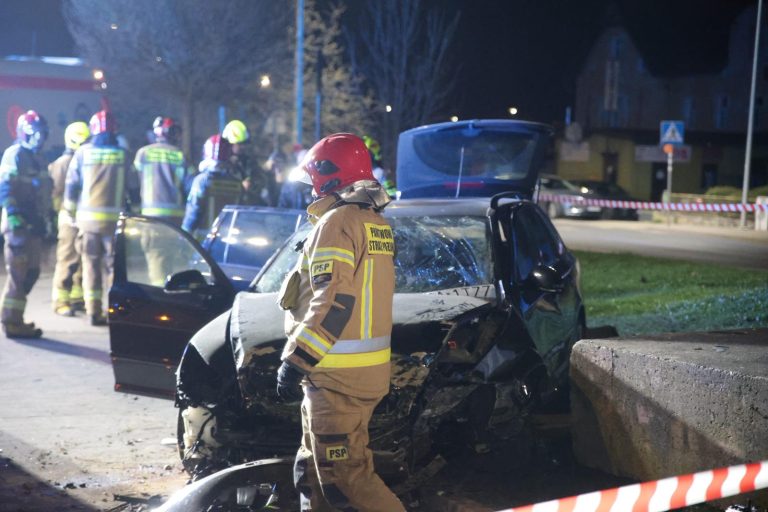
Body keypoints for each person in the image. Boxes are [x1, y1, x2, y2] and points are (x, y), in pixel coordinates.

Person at [275, 133, 404, 511]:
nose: (310, 188)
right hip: (354, 375)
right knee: (313, 471)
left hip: (336, 379)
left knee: (346, 479)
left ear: (328, 176)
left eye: (312, 178)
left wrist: (297, 360)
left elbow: (334, 303)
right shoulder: (372, 221)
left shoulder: (336, 223)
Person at [64, 110, 137, 326]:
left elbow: (71, 186)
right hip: (115, 223)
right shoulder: (124, 155)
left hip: (87, 224)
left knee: (90, 266)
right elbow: (133, 188)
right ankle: (113, 311)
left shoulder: (82, 153)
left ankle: (93, 311)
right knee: (113, 269)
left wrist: (69, 213)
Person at [0, 111, 51, 338]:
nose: (39, 139)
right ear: (24, 133)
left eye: (42, 134)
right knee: (18, 273)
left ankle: (16, 317)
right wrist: (13, 214)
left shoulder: (38, 158)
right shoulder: (15, 154)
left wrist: (47, 218)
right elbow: (5, 188)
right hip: (18, 224)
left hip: (33, 223)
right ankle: (11, 321)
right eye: (35, 134)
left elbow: (44, 191)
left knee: (32, 272)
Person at [133, 116, 189, 285]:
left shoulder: (143, 154)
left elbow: (135, 180)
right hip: (175, 217)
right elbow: (188, 185)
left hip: (151, 217)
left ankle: (159, 291)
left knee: (156, 256)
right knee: (171, 257)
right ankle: (169, 290)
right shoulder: (179, 155)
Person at [49, 121, 90, 316]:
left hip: (82, 218)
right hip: (68, 218)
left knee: (80, 260)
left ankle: (76, 297)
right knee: (67, 259)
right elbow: (56, 193)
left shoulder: (85, 160)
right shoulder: (63, 163)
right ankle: (60, 301)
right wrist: (62, 214)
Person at [182, 135, 242, 239]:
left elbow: (193, 213)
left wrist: (183, 236)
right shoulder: (237, 183)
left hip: (204, 242)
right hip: (228, 241)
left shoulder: (201, 181)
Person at [222, 119, 270, 206]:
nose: (243, 147)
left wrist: (252, 185)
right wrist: (240, 187)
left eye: (244, 143)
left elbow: (261, 179)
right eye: (239, 144)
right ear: (229, 144)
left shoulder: (248, 161)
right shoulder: (221, 164)